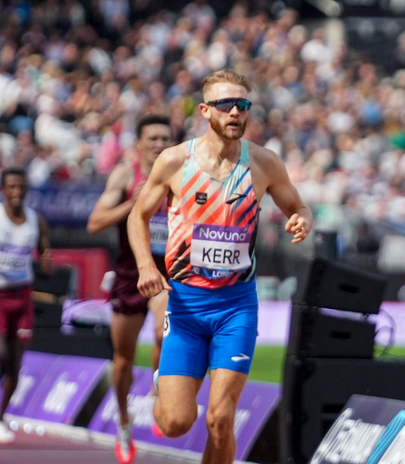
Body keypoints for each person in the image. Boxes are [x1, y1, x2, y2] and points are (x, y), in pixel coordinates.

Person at [128, 69, 313, 464]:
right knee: (177, 421)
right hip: (186, 306)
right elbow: (136, 216)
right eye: (226, 105)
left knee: (220, 419)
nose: (235, 113)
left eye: (242, 105)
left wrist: (302, 217)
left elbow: (295, 204)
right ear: (205, 111)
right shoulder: (175, 161)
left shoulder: (263, 163)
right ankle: (162, 382)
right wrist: (146, 265)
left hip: (236, 306)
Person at [87, 114, 173, 463]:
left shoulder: (179, 175)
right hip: (127, 274)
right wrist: (131, 204)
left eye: (165, 139)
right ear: (138, 144)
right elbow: (94, 223)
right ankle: (124, 422)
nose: (159, 145)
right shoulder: (125, 175)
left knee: (163, 331)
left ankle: (159, 398)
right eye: (152, 138)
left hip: (164, 273)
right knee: (122, 359)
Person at [0, 168, 51, 444]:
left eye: (21, 186)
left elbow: (45, 258)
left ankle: (1, 417)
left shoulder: (36, 221)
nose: (16, 191)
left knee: (15, 363)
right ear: (3, 190)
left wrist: (46, 264)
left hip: (22, 298)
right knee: (0, 353)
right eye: (11, 187)